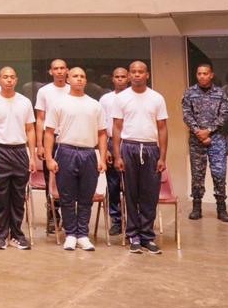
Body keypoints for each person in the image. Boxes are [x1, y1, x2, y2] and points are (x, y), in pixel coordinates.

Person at [44, 67, 107, 251]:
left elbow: (102, 133)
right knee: (67, 197)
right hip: (66, 152)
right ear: (68, 79)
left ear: (86, 81)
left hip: (89, 154)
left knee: (86, 197)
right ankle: (71, 234)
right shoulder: (59, 103)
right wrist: (49, 158)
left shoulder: (95, 105)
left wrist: (102, 158)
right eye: (75, 76)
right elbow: (49, 132)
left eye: (82, 76)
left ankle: (83, 235)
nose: (79, 79)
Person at [111, 60, 168, 254]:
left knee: (149, 195)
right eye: (133, 72)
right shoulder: (121, 98)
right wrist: (117, 155)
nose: (137, 74)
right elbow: (116, 128)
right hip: (129, 147)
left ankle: (147, 236)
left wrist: (162, 157)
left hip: (151, 149)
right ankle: (133, 235)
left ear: (147, 75)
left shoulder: (157, 98)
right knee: (130, 194)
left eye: (140, 72)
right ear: (129, 75)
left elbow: (162, 128)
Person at [0, 66, 36, 250]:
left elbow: (30, 129)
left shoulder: (25, 102)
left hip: (20, 151)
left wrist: (32, 156)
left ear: (16, 80)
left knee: (19, 197)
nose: (9, 80)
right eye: (5, 77)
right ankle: (1, 236)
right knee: (2, 197)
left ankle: (17, 235)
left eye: (12, 77)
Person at [181, 63, 228, 222]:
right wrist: (199, 132)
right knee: (197, 174)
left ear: (211, 75)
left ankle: (221, 209)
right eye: (199, 73)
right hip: (196, 139)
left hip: (217, 139)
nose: (202, 76)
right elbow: (187, 115)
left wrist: (208, 131)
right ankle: (196, 207)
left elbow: (224, 115)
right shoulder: (190, 93)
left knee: (219, 174)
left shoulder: (220, 93)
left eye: (205, 73)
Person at [34, 58, 70, 234]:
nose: (59, 71)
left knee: (68, 180)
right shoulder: (44, 91)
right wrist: (39, 144)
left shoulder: (73, 89)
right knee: (51, 179)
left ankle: (69, 216)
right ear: (51, 72)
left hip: (69, 140)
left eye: (62, 68)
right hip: (50, 140)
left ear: (67, 70)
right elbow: (40, 119)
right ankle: (53, 216)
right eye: (56, 68)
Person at [98, 67, 128, 235]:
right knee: (113, 184)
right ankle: (116, 219)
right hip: (110, 142)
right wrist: (104, 150)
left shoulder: (133, 97)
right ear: (112, 79)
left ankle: (133, 220)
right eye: (117, 76)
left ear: (128, 78)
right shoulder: (105, 99)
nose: (120, 79)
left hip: (130, 143)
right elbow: (100, 125)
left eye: (123, 76)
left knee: (132, 184)